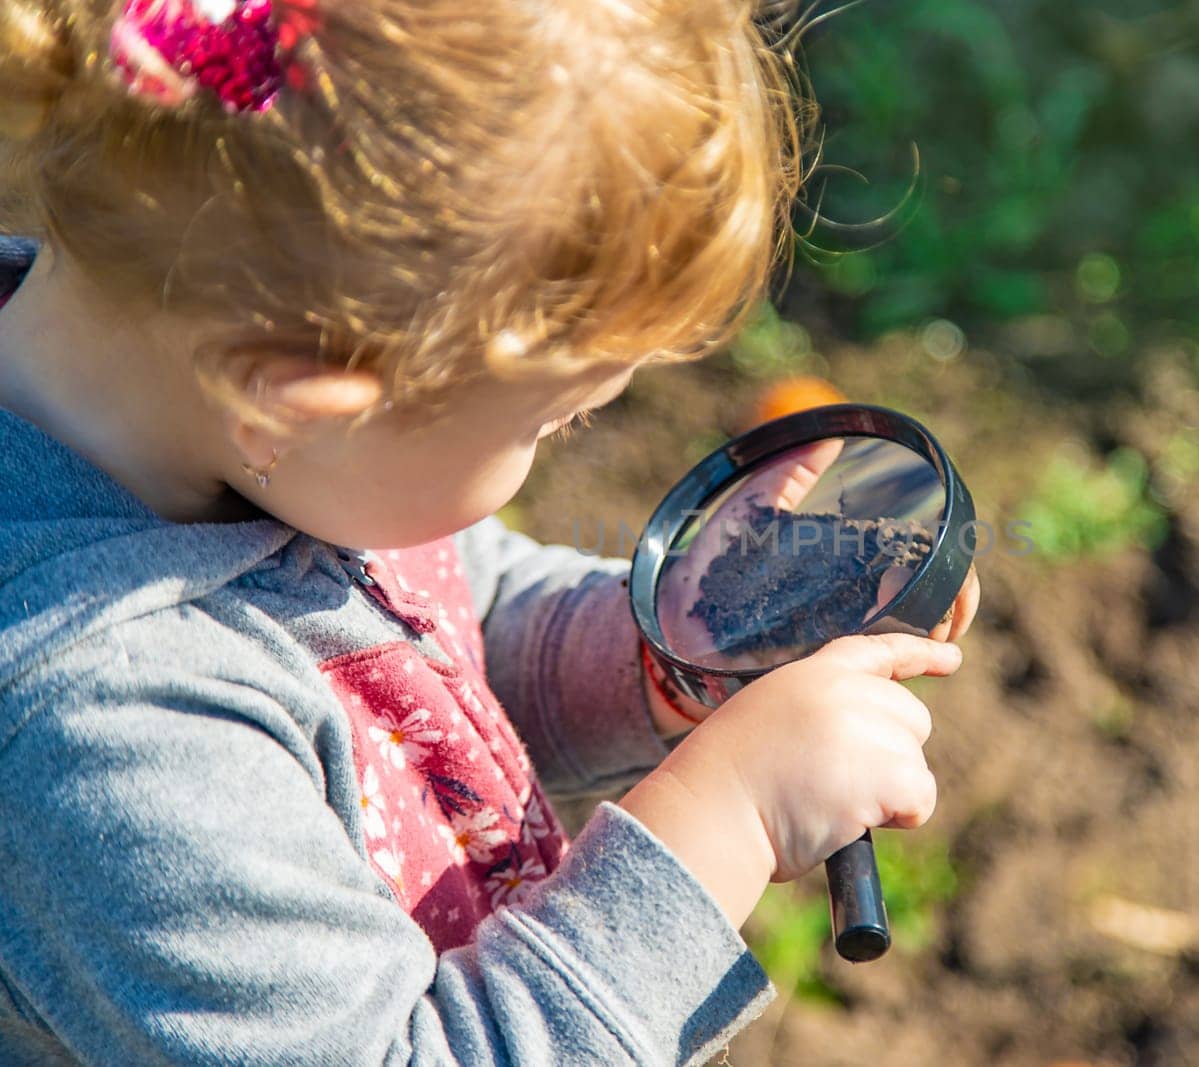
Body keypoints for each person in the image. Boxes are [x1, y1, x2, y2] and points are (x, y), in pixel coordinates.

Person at [0, 0, 979, 1063]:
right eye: (553, 421)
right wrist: (729, 815)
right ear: (295, 404)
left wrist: (670, 651)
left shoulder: (279, 453)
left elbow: (437, 630)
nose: (563, 442)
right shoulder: (108, 730)